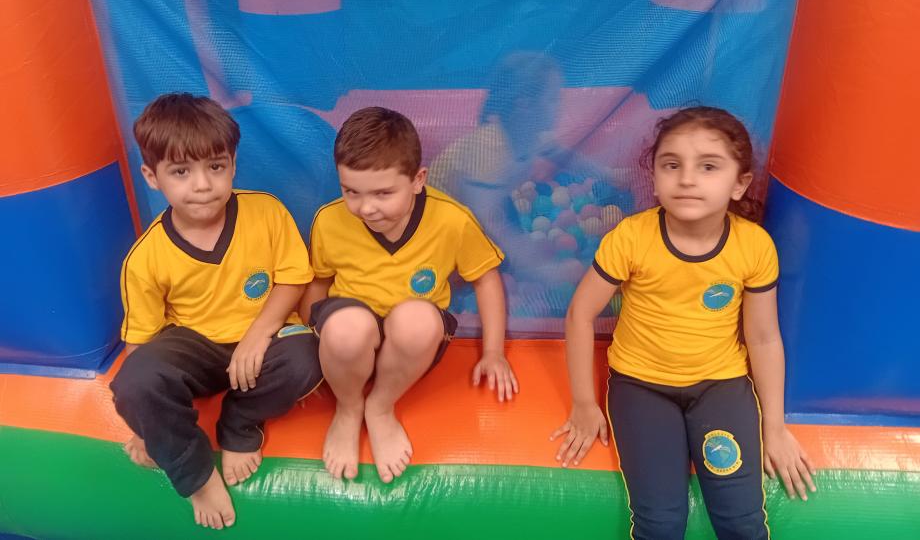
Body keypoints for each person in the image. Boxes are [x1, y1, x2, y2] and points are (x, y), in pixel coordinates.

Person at [550, 106, 816, 539]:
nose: (687, 179)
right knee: (660, 524)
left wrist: (775, 427)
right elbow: (580, 313)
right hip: (641, 386)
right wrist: (584, 402)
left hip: (720, 386)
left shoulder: (754, 246)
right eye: (671, 165)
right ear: (655, 178)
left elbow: (764, 337)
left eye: (708, 166)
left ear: (739, 184)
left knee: (742, 522)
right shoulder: (632, 237)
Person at [110, 93, 322, 530]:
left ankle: (240, 422)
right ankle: (197, 478)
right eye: (181, 172)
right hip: (196, 347)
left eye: (216, 167)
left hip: (264, 340)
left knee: (309, 355)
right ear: (152, 177)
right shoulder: (145, 257)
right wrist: (147, 423)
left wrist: (259, 334)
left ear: (233, 165)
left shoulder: (265, 212)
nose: (203, 185)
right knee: (135, 382)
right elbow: (140, 346)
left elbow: (293, 278)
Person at [303, 106, 518, 483]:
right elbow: (318, 283)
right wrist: (312, 338)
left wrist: (494, 352)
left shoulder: (451, 220)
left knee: (417, 320)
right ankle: (349, 409)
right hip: (350, 326)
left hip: (412, 340)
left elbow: (486, 279)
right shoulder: (329, 220)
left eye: (383, 193)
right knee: (346, 328)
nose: (366, 208)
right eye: (351, 191)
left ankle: (380, 406)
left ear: (418, 180)